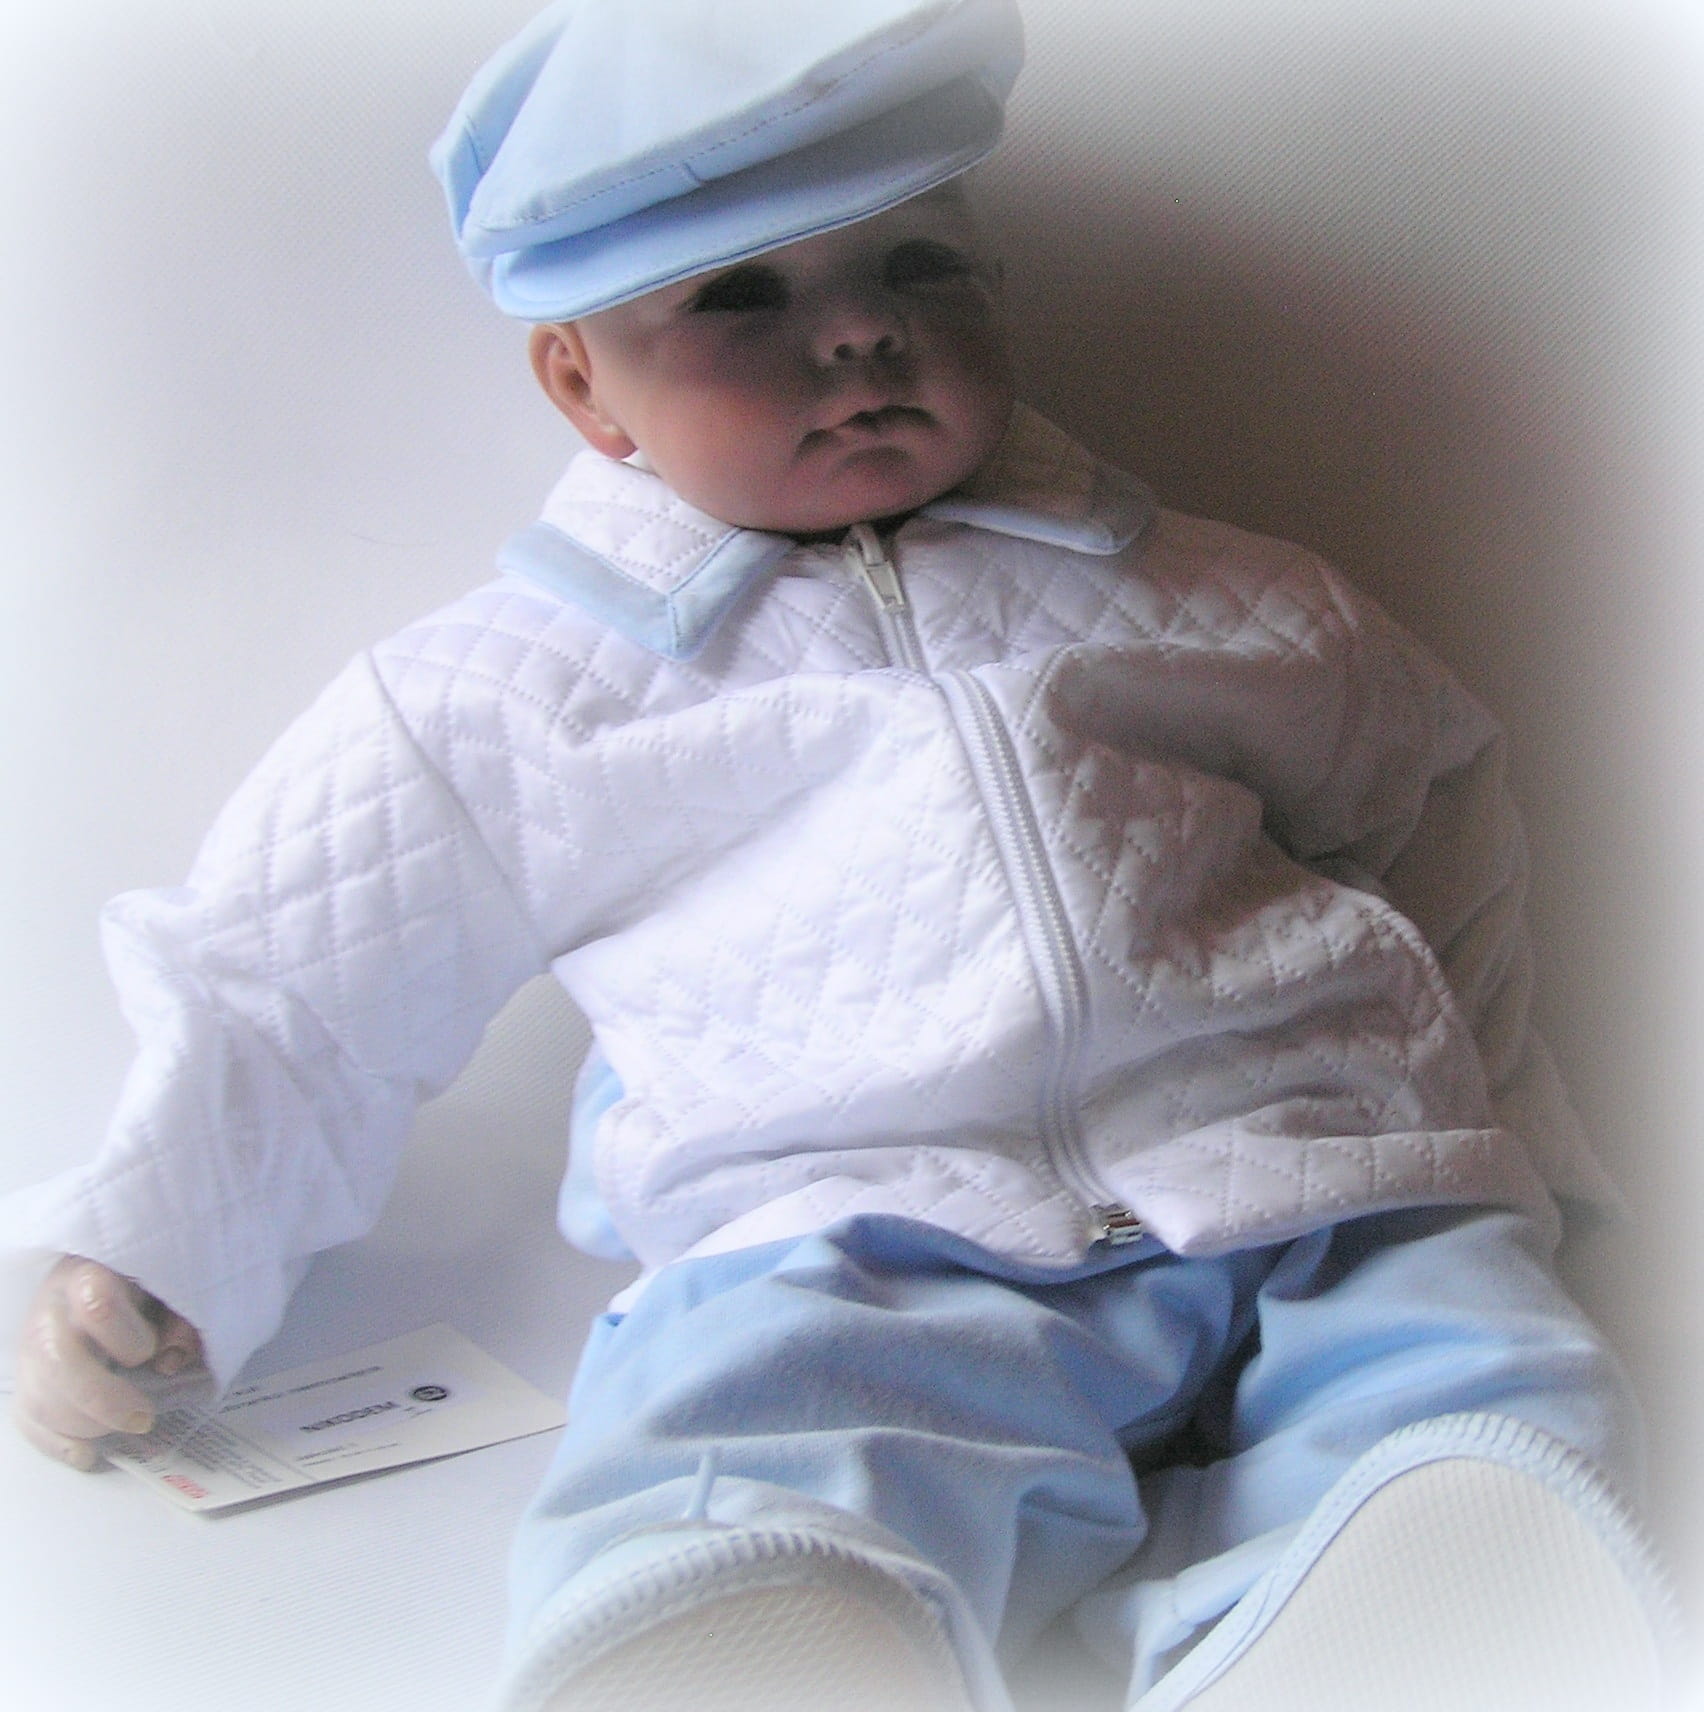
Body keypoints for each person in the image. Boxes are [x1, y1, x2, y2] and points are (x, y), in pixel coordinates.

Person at [2, 3, 1672, 1707]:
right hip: (854, 1239)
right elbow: (291, 993)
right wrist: (158, 1250)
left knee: (1468, 1379)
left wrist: (1504, 1139)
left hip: (1314, 1180)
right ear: (581, 382)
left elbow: (1437, 819)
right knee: (755, 1434)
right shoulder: (500, 699)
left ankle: (1419, 1579)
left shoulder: (1226, 597)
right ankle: (757, 1618)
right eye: (739, 292)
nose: (865, 329)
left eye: (922, 261)